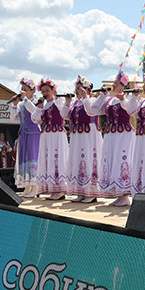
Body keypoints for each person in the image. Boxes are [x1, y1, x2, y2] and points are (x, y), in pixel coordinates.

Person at [93, 70, 137, 206]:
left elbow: (130, 109)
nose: (112, 84)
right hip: (111, 135)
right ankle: (118, 195)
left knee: (121, 160)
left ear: (122, 84)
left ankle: (125, 196)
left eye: (115, 82)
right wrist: (102, 95)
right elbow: (94, 110)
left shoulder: (127, 98)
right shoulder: (109, 100)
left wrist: (123, 99)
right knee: (112, 161)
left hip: (123, 134)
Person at [24, 78, 69, 200]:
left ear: (53, 90)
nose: (45, 93)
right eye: (43, 91)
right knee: (48, 159)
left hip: (57, 134)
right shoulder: (43, 106)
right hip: (46, 135)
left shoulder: (58, 102)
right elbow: (36, 119)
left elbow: (63, 110)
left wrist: (56, 97)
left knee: (57, 158)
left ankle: (60, 190)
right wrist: (39, 106)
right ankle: (52, 189)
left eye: (47, 90)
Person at [66, 75, 103, 203]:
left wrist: (85, 97)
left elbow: (90, 111)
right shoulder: (75, 103)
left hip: (89, 133)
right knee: (77, 159)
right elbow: (65, 115)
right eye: (77, 88)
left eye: (81, 88)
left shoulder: (92, 100)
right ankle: (80, 191)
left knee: (89, 158)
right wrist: (67, 103)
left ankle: (91, 192)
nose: (78, 91)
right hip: (77, 135)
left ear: (87, 89)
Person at [10, 78, 41, 198]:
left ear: (32, 91)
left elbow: (34, 111)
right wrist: (14, 105)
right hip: (23, 133)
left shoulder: (36, 101)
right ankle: (27, 186)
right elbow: (13, 118)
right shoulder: (22, 104)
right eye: (22, 89)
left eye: (25, 89)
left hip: (34, 133)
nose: (22, 91)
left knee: (33, 157)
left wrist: (25, 99)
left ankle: (36, 187)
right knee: (23, 158)